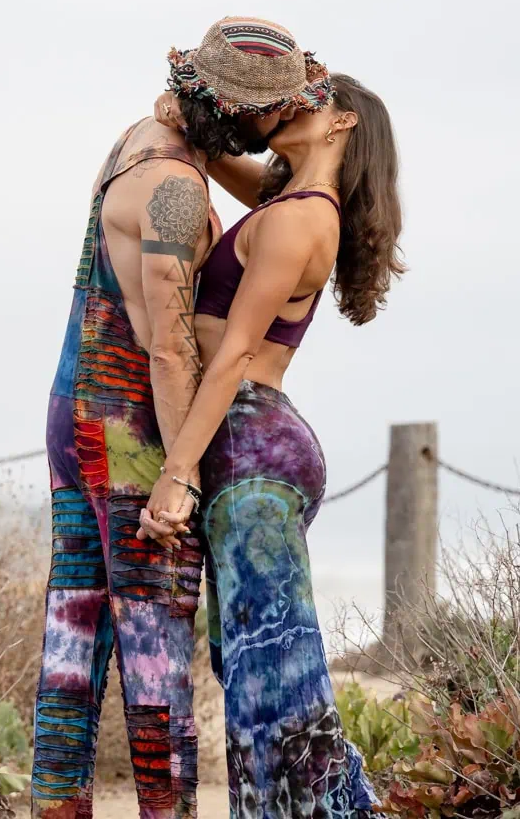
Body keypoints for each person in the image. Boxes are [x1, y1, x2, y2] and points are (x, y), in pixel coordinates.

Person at [30, 17, 338, 819]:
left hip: (71, 408)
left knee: (73, 637)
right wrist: (184, 477)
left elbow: (269, 197)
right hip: (131, 425)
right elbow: (169, 349)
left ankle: (56, 806)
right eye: (269, 113)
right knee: (156, 653)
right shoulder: (177, 191)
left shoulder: (136, 143)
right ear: (235, 114)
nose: (277, 127)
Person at [142, 67, 405, 816]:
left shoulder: (299, 220)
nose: (287, 107)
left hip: (252, 447)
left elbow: (231, 358)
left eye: (309, 99)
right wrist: (194, 120)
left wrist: (177, 472)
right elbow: (239, 165)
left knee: (276, 685)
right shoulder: (290, 204)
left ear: (341, 122)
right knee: (254, 668)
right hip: (252, 443)